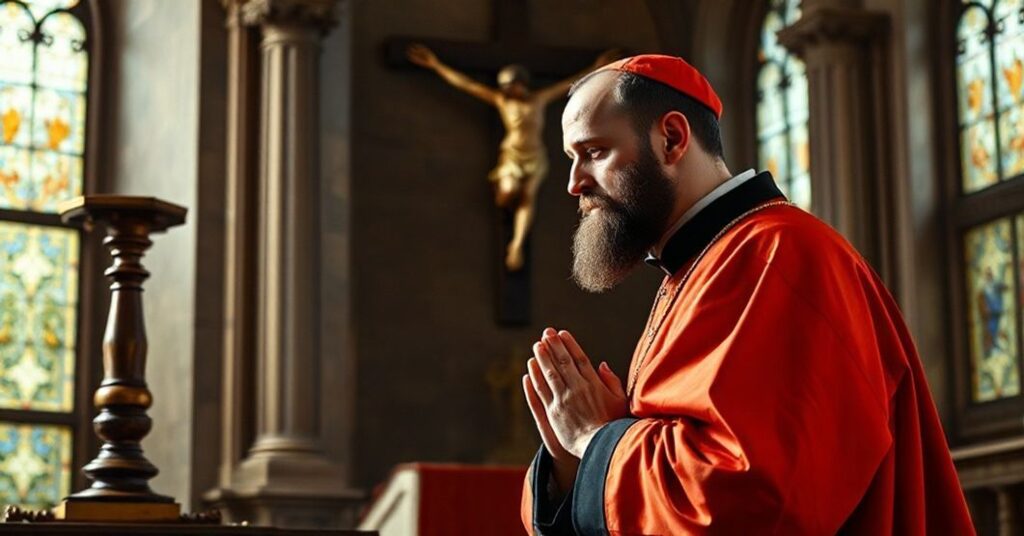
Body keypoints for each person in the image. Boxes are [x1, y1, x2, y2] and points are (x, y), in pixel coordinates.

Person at [519, 54, 974, 535]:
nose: (574, 184)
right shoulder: (703, 264)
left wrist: (597, 441)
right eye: (572, 158)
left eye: (594, 152)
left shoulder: (779, 254)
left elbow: (753, 500)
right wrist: (574, 461)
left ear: (671, 138)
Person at [406, 44, 617, 270]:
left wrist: (596, 68)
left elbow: (569, 84)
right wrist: (436, 65)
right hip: (512, 156)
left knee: (528, 197)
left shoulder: (538, 100)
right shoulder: (502, 102)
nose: (509, 90)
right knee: (507, 194)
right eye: (505, 87)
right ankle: (504, 198)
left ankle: (516, 244)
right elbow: (468, 85)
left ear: (521, 84)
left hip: (534, 156)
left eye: (511, 85)